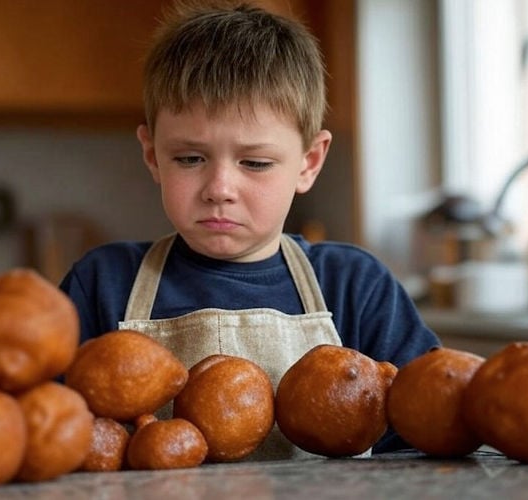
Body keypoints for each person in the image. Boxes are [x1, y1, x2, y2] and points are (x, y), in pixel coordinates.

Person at [60, 0, 440, 459]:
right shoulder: (103, 283)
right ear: (151, 154)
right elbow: (50, 432)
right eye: (189, 158)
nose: (220, 188)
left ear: (309, 162)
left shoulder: (355, 287)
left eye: (255, 163)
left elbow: (428, 437)